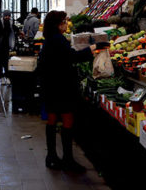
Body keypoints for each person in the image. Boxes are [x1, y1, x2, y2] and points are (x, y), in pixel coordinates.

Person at [38, 10, 104, 173]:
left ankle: (52, 157)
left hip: (51, 86)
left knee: (52, 119)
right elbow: (72, 57)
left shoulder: (50, 40)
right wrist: (93, 48)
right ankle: (67, 160)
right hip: (61, 87)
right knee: (67, 119)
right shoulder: (58, 40)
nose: (66, 24)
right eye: (64, 22)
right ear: (58, 25)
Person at [0, 10, 19, 82]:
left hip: (5, 48)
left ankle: (6, 78)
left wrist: (20, 32)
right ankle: (1, 78)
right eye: (6, 16)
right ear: (3, 16)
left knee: (6, 64)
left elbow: (15, 28)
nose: (7, 17)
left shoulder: (10, 24)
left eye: (9, 16)